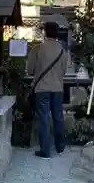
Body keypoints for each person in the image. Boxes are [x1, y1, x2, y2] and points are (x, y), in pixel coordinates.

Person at [27, 22, 69, 158]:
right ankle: (60, 147)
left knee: (43, 119)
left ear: (45, 32)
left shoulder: (37, 49)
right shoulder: (63, 50)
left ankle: (45, 150)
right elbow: (64, 72)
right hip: (57, 88)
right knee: (58, 117)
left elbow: (30, 70)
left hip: (42, 89)